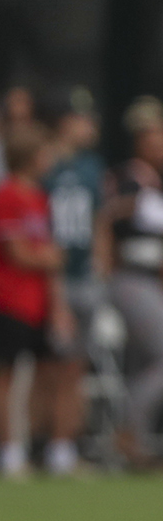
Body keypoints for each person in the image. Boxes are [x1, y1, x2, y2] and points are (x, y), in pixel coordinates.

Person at [0, 125, 71, 479]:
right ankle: (8, 452)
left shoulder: (39, 198)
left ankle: (52, 447)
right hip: (7, 299)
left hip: (37, 303)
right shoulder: (5, 195)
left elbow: (48, 259)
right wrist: (48, 257)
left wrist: (58, 307)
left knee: (54, 373)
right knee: (4, 376)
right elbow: (18, 253)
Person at [40, 89, 104, 475]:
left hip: (83, 276)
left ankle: (63, 448)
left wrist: (101, 267)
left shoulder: (91, 166)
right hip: (51, 277)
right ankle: (40, 444)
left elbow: (99, 221)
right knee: (49, 368)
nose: (90, 126)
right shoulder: (45, 163)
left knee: (75, 367)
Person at [103, 97, 163, 466]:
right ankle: (127, 431)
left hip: (150, 280)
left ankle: (135, 440)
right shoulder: (130, 179)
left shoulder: (153, 183)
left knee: (145, 363)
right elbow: (107, 222)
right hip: (130, 277)